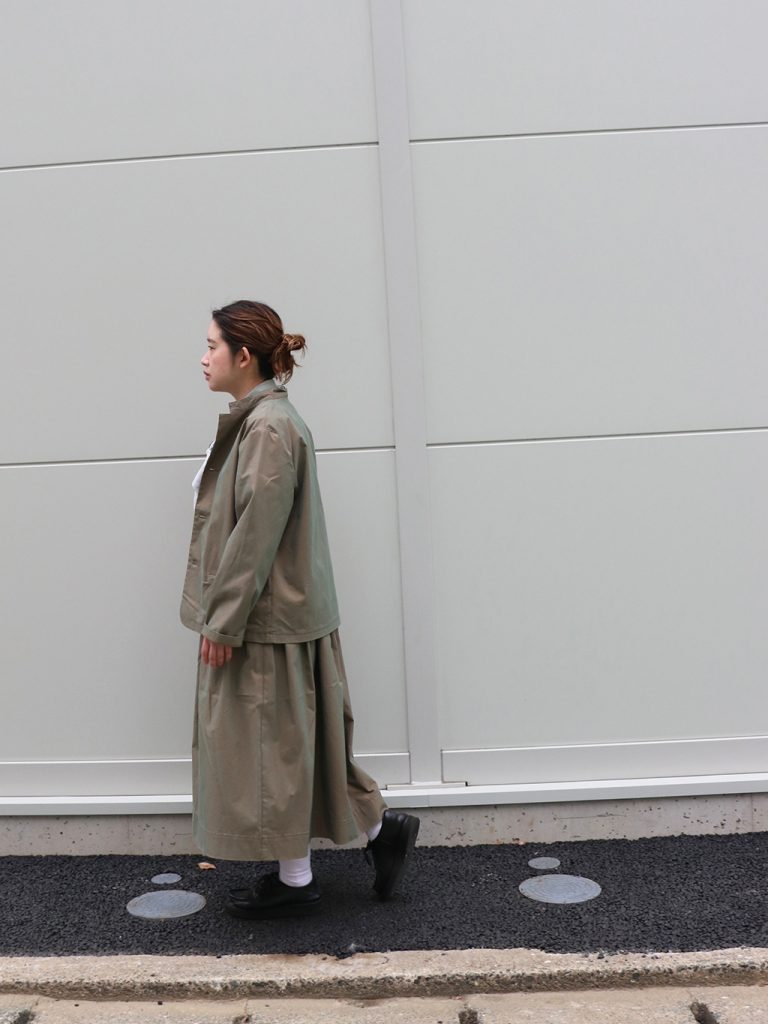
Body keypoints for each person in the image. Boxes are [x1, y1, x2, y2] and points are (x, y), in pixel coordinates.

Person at [180, 299, 419, 919]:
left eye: (211, 346)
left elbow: (255, 534)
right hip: (278, 616)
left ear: (243, 356)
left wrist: (223, 621)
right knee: (291, 746)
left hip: (267, 623)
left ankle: (305, 875)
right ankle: (367, 837)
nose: (202, 357)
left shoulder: (266, 429)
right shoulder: (261, 422)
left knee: (276, 750)